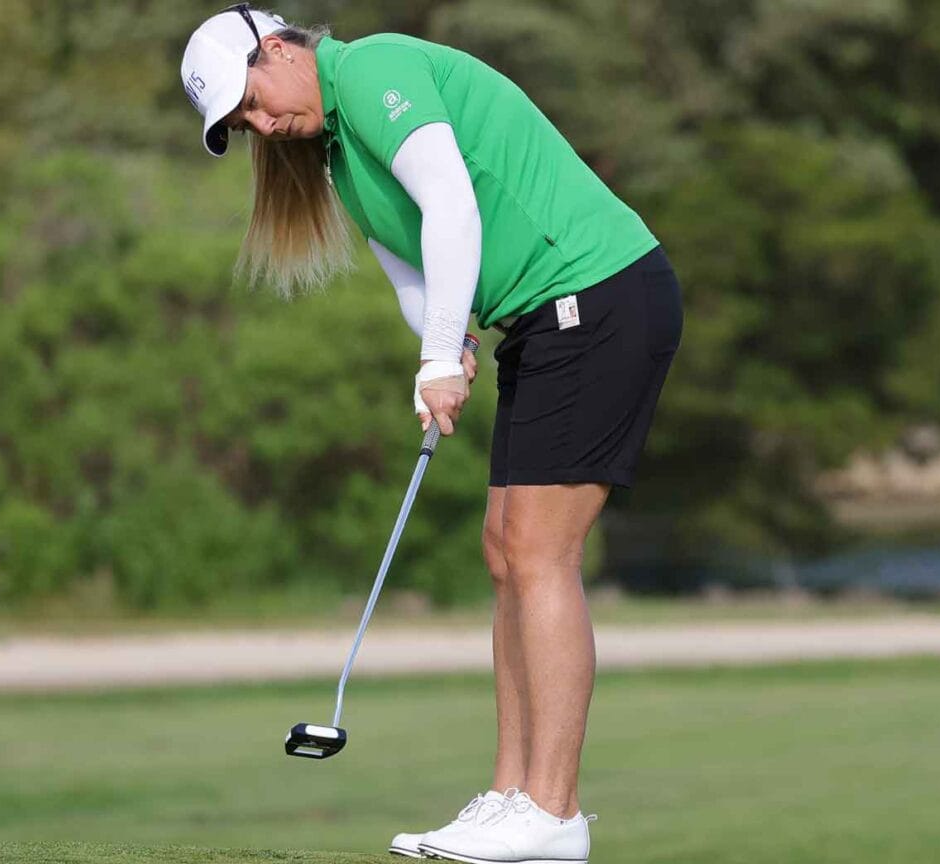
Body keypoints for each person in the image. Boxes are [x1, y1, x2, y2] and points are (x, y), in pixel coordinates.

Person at [181, 5, 681, 864]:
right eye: (242, 123)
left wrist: (442, 359)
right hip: (542, 320)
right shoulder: (338, 157)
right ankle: (509, 799)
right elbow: (412, 272)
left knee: (539, 554)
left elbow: (451, 202)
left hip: (596, 295)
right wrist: (445, 345)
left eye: (253, 101)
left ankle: (553, 810)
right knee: (505, 551)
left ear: (277, 49)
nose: (261, 125)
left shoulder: (373, 69)